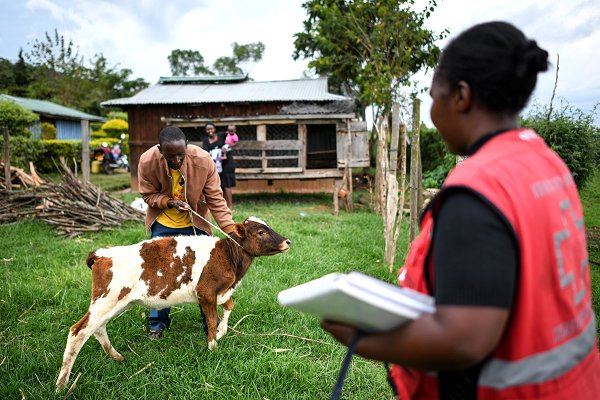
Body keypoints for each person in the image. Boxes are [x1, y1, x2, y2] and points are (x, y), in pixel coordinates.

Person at [320, 21, 600, 399]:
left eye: (434, 96)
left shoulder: (477, 191)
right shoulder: (546, 162)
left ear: (461, 96)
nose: (432, 110)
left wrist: (362, 338)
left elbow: (465, 340)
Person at [138, 125, 235, 339]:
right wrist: (168, 201)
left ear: (187, 147)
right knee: (161, 274)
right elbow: (147, 195)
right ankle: (158, 323)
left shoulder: (203, 160)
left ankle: (210, 322)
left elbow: (216, 200)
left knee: (207, 274)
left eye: (180, 155)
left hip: (196, 223)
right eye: (170, 156)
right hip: (164, 221)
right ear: (160, 150)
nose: (176, 161)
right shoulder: (147, 161)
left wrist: (231, 232)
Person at [202, 122, 236, 210]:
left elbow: (232, 138)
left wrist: (227, 147)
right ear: (205, 131)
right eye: (208, 129)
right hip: (216, 165)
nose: (210, 131)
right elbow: (205, 153)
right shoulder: (205, 141)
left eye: (211, 129)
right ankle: (222, 206)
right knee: (219, 184)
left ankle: (230, 206)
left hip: (227, 162)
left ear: (215, 129)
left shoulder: (222, 135)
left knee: (227, 184)